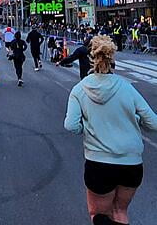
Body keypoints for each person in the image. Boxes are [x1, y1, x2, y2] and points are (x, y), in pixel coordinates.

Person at [64, 35, 157, 225]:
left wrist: (87, 127)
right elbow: (153, 123)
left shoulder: (80, 89)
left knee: (99, 215)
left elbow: (71, 125)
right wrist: (135, 120)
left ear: (91, 58)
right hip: (131, 163)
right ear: (112, 58)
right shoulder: (127, 87)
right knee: (120, 211)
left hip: (99, 163)